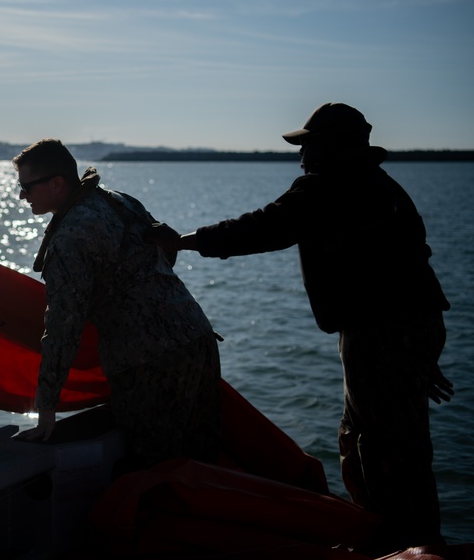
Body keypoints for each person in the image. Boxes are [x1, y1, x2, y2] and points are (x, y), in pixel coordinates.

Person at [156, 103, 453, 551]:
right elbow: (416, 257)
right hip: (410, 326)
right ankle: (388, 535)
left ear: (331, 145)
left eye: (307, 144)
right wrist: (423, 350)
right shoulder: (384, 186)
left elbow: (264, 227)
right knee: (375, 439)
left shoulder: (328, 187)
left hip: (379, 331)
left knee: (384, 448)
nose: (300, 155)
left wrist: (184, 241)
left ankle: (404, 545)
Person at [13, 139, 222, 471]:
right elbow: (167, 248)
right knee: (204, 466)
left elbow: (62, 329)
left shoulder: (69, 239)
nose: (22, 196)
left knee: (155, 475)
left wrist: (46, 410)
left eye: (26, 187)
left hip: (150, 367)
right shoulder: (117, 200)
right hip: (198, 342)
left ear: (56, 184)